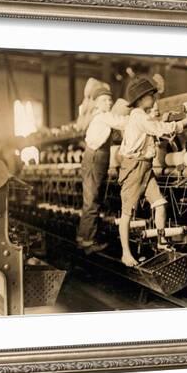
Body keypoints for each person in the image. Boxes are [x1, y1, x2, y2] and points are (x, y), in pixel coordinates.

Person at [118, 77, 187, 266]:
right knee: (127, 213)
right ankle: (125, 253)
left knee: (160, 204)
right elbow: (159, 128)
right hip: (135, 167)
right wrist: (185, 121)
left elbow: (156, 128)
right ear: (141, 99)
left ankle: (161, 241)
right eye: (151, 95)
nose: (154, 98)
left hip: (145, 167)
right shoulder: (139, 116)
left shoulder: (141, 116)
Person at [76, 85, 130, 254]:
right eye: (104, 100)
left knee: (91, 199)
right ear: (97, 104)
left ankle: (83, 237)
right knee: (92, 200)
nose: (108, 102)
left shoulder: (99, 117)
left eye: (109, 100)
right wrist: (140, 117)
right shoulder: (103, 116)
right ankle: (88, 242)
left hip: (95, 157)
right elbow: (122, 122)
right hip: (95, 158)